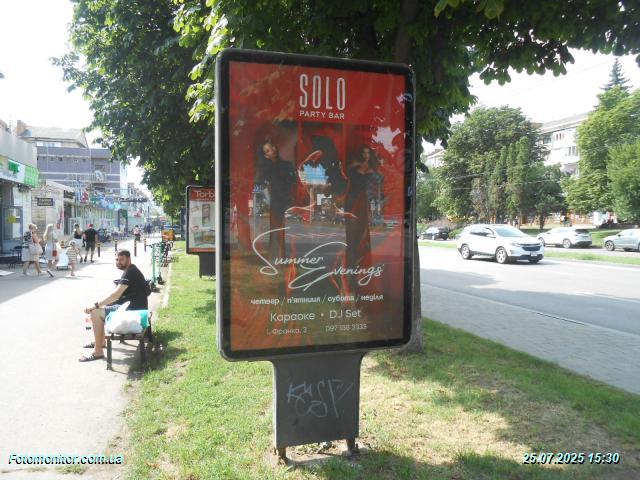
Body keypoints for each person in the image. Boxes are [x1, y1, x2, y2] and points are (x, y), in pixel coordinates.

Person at [79, 249, 149, 362]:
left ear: (129, 259)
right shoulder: (132, 270)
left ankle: (98, 352)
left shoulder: (130, 272)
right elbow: (117, 295)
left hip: (133, 312)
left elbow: (115, 295)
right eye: (117, 260)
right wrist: (103, 304)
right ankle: (101, 342)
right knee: (100, 309)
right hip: (134, 308)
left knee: (95, 312)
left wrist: (95, 305)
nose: (118, 262)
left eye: (121, 260)